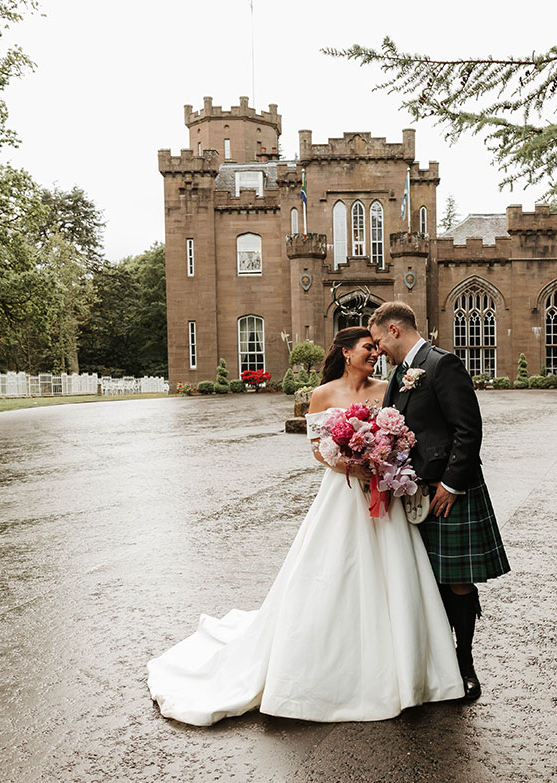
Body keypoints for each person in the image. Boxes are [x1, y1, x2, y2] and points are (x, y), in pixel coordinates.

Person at [147, 327, 464, 724]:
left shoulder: (389, 387)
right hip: (343, 493)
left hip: (384, 490)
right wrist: (354, 466)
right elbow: (318, 451)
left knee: (395, 573)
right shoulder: (323, 394)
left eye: (376, 348)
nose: (375, 354)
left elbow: (403, 436)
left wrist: (382, 461)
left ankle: (405, 667)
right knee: (331, 572)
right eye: (368, 348)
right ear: (347, 353)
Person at [369, 302, 510, 701]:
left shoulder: (441, 364)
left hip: (449, 491)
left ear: (395, 330)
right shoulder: (398, 375)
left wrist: (452, 484)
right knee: (425, 579)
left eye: (379, 340)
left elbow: (469, 429)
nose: (377, 349)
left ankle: (464, 664)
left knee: (457, 580)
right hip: (413, 491)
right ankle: (438, 664)